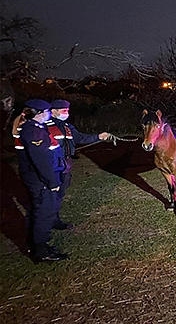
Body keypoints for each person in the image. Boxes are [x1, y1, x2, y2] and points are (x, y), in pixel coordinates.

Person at [13, 99, 68, 262]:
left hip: (37, 179)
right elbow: (42, 161)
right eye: (48, 112)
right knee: (44, 213)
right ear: (40, 114)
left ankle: (36, 246)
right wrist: (53, 182)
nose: (50, 114)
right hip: (41, 181)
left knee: (37, 211)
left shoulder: (35, 128)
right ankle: (41, 251)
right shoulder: (33, 132)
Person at [46, 99, 110, 230]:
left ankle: (54, 219)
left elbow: (80, 138)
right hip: (51, 164)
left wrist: (98, 136)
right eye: (64, 111)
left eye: (68, 111)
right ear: (53, 111)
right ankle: (43, 221)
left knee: (60, 192)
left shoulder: (67, 126)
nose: (66, 113)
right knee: (48, 194)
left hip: (65, 164)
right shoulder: (44, 126)